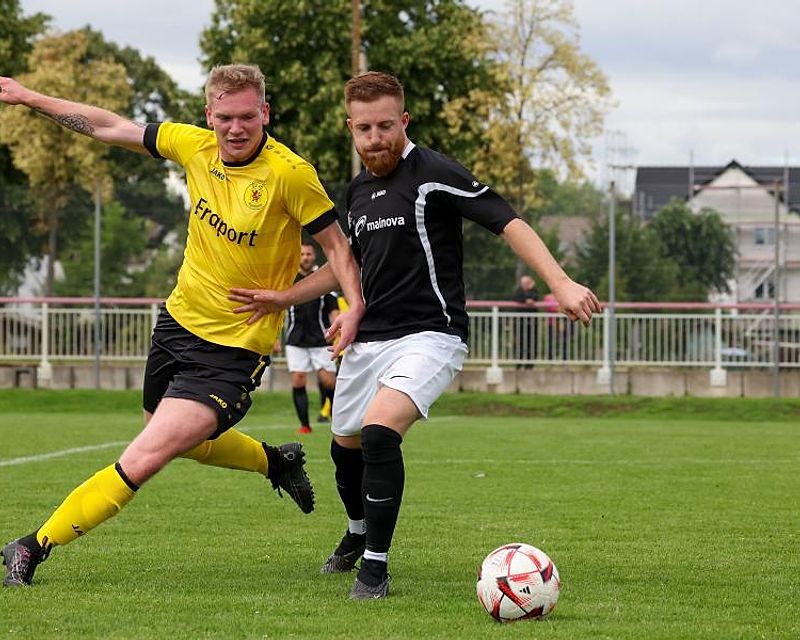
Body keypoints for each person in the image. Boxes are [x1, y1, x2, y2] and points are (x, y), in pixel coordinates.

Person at [0, 63, 364, 587]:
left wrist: (299, 298)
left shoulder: (290, 174)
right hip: (177, 324)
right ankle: (275, 463)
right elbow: (109, 125)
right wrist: (30, 98)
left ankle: (31, 546)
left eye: (247, 116)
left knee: (144, 458)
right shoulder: (193, 145)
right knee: (166, 439)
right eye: (224, 117)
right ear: (209, 115)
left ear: (264, 113)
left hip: (233, 350)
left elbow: (340, 253)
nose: (235, 128)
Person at [230, 71, 601, 600]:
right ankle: (358, 533)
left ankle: (375, 569)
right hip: (368, 339)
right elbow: (345, 266)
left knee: (381, 434)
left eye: (385, 126)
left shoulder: (433, 173)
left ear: (403, 121)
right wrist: (284, 297)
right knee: (345, 449)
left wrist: (560, 283)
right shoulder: (356, 192)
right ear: (351, 129)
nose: (375, 138)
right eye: (364, 129)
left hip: (431, 334)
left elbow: (506, 220)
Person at [285, 241, 339, 434]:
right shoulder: (288, 279)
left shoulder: (323, 279)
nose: (305, 257)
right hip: (295, 340)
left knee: (329, 382)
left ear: (314, 256)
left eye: (308, 254)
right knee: (298, 379)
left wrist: (338, 331)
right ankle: (305, 425)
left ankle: (338, 418)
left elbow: (334, 309)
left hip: (320, 340)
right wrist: (275, 338)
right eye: (302, 254)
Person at [512, 274, 539, 368]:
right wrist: (525, 300)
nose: (525, 285)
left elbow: (536, 297)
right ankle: (518, 364)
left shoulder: (534, 290)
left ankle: (529, 364)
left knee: (531, 342)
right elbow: (516, 297)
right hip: (520, 323)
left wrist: (531, 289)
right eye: (523, 283)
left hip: (531, 323)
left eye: (527, 283)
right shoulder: (518, 291)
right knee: (519, 343)